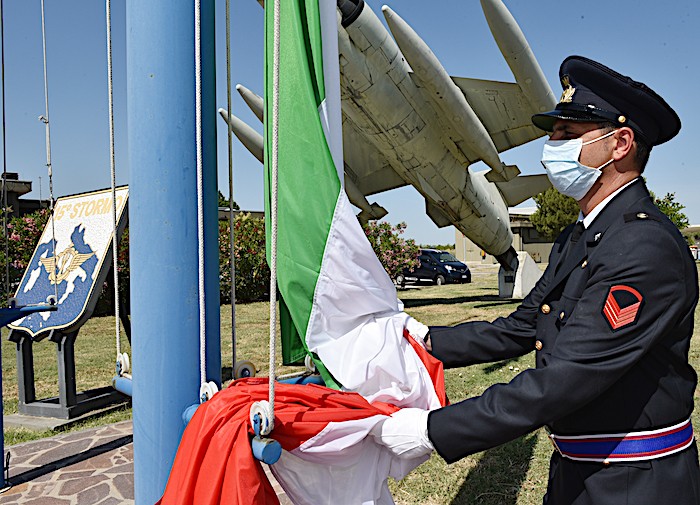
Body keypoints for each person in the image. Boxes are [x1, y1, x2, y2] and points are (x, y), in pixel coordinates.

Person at [372, 55, 700, 504]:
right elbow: (524, 325)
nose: (551, 145)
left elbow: (568, 375)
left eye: (567, 134)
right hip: (576, 467)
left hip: (634, 481)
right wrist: (427, 340)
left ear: (620, 143)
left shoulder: (645, 246)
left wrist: (432, 430)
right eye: (553, 133)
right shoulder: (580, 235)